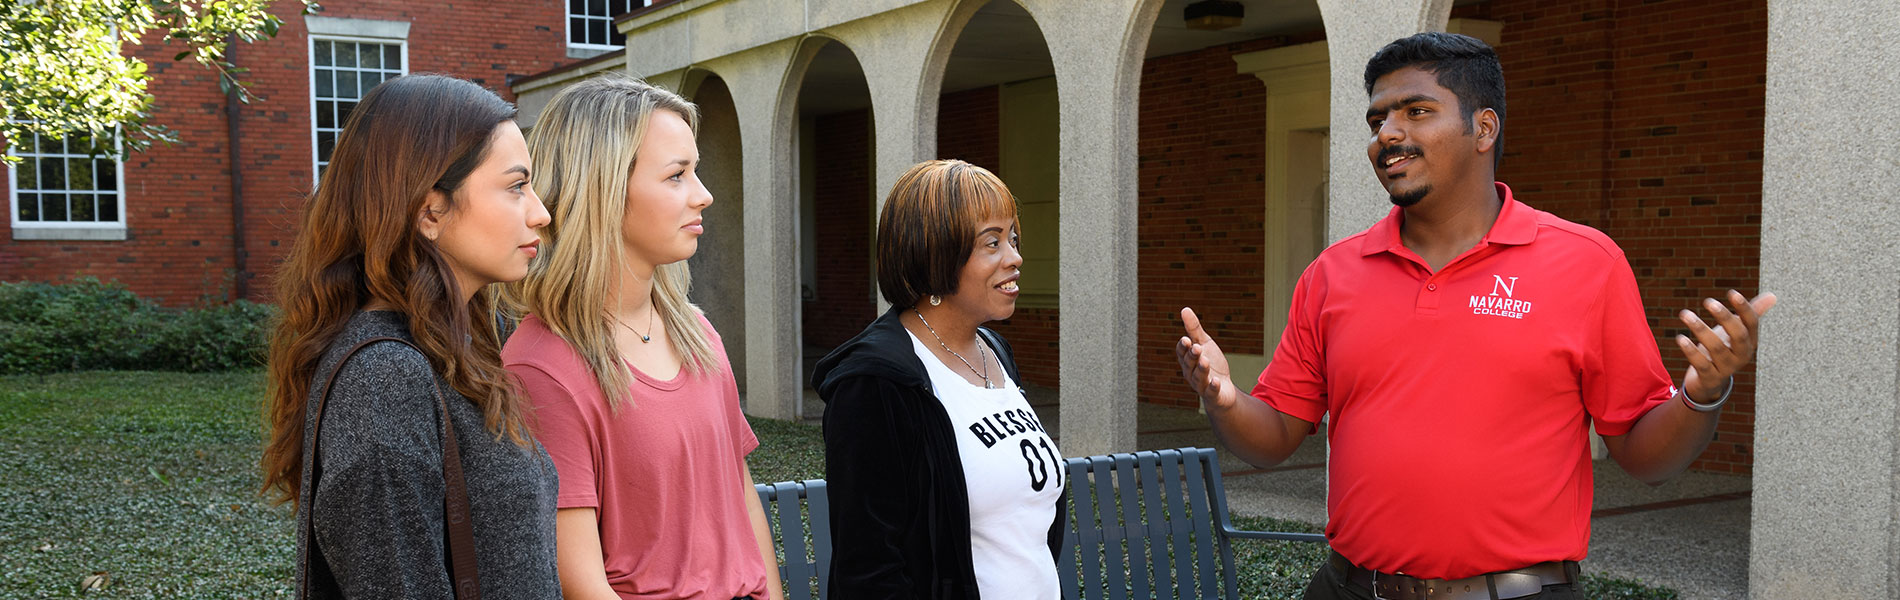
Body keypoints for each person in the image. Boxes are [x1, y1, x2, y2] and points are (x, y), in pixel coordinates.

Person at [1176, 33, 1776, 600]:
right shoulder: (1333, 274)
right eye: (1377, 119)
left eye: (1415, 111)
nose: (1388, 133)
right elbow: (1274, 436)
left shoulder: (1585, 263)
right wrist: (1225, 399)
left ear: (1483, 127)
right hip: (1352, 586)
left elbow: (1648, 459)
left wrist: (1702, 392)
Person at [259, 74, 559, 598]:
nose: (541, 212)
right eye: (516, 186)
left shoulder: (459, 346)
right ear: (429, 213)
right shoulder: (384, 380)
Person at [498, 76, 782, 600]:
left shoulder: (697, 334)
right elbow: (580, 581)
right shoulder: (541, 369)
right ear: (603, 192)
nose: (705, 195)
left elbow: (742, 502)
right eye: (677, 176)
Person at [812, 159, 1066, 599]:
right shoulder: (875, 382)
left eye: (1013, 238)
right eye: (993, 243)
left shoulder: (994, 351)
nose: (1015, 257)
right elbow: (870, 570)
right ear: (937, 253)